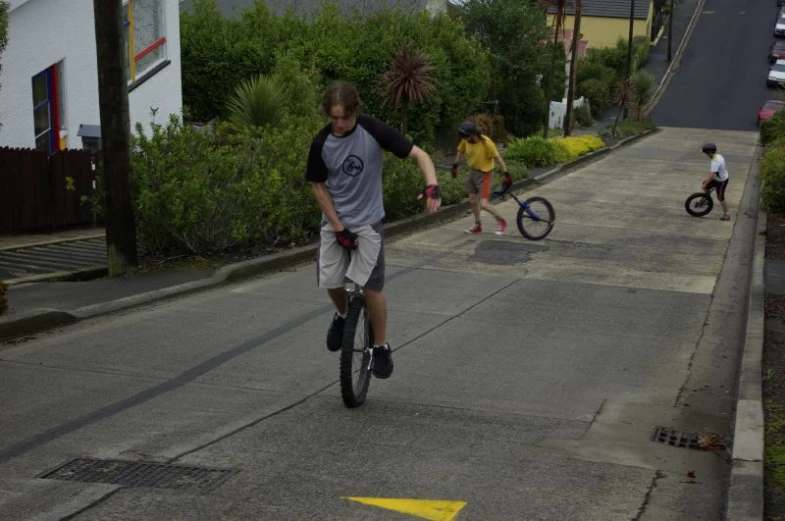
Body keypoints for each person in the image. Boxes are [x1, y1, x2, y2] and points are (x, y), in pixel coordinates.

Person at [306, 81, 441, 379]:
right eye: (334, 118)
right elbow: (318, 187)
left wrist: (432, 185)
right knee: (329, 277)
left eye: (345, 117)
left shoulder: (372, 130)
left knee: (371, 288)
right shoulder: (321, 142)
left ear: (355, 111)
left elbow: (421, 156)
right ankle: (342, 315)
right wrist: (338, 228)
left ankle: (380, 345)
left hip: (368, 221)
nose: (339, 124)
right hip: (335, 220)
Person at [451, 121, 509, 235]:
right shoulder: (466, 140)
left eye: (466, 136)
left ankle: (501, 221)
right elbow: (460, 150)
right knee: (472, 200)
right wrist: (455, 165)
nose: (464, 138)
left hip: (485, 174)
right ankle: (478, 225)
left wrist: (507, 175)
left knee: (484, 204)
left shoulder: (487, 143)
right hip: (472, 172)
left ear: (472, 134)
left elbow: (498, 159)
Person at [700, 142, 730, 221]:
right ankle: (708, 199)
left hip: (722, 180)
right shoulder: (718, 156)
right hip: (718, 178)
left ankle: (726, 214)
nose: (706, 155)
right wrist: (705, 184)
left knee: (720, 197)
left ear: (710, 152)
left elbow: (712, 175)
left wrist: (705, 184)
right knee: (705, 185)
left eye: (706, 153)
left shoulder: (715, 162)